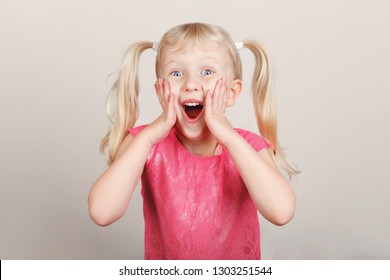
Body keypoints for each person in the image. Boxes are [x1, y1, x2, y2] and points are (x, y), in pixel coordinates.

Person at [88, 22, 299, 260]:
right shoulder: (144, 143)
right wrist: (147, 138)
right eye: (176, 73)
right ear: (160, 90)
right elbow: (102, 213)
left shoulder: (247, 146)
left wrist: (230, 137)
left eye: (207, 72)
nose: (190, 84)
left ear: (231, 92)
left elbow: (282, 213)